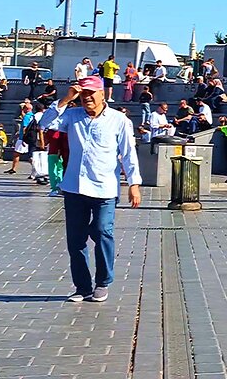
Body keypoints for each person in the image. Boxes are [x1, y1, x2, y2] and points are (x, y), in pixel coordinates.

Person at [41, 75, 142, 303]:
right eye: (83, 93)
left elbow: (128, 154)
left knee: (102, 231)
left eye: (91, 93)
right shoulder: (71, 115)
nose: (87, 98)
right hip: (75, 187)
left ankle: (103, 282)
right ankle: (82, 287)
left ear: (102, 93)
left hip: (104, 188)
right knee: (75, 240)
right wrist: (66, 99)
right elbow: (44, 123)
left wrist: (133, 184)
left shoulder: (118, 120)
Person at [7, 100, 35, 174]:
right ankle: (35, 170)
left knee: (16, 153)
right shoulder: (33, 116)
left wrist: (23, 138)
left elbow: (24, 127)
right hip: (30, 137)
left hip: (23, 138)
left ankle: (14, 169)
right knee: (30, 155)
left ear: (27, 109)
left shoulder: (26, 117)